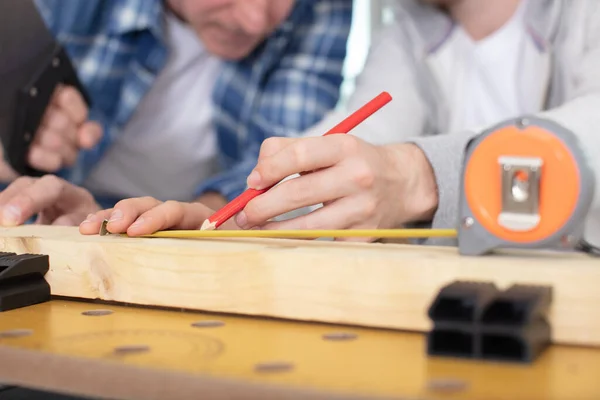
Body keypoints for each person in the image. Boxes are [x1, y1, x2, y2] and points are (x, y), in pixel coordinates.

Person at [60, 0, 600, 249]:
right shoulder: (406, 35)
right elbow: (346, 155)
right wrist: (216, 221)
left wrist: (423, 176)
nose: (259, 18)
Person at [0, 0, 352, 226]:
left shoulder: (321, 8)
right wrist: (7, 146)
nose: (255, 20)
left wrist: (201, 219)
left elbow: (281, 161)